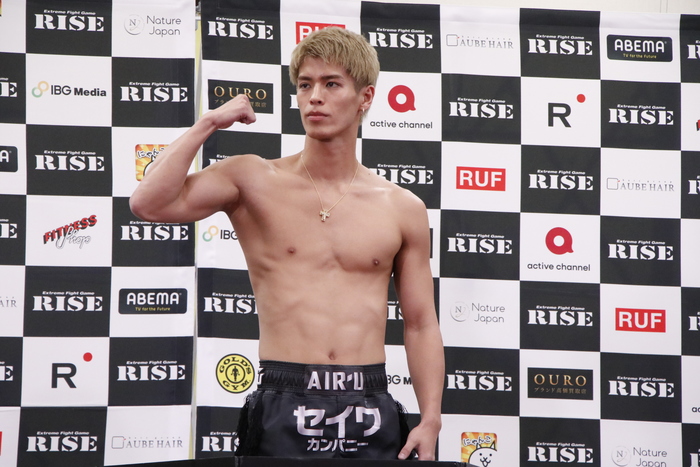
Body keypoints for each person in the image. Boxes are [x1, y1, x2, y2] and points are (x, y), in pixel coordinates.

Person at [130, 27, 444, 461]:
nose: (314, 97)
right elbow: (148, 203)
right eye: (305, 85)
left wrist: (431, 419)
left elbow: (421, 323)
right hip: (283, 397)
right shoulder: (252, 179)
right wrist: (208, 123)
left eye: (331, 84)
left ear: (365, 97)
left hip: (369, 401)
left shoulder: (402, 206)